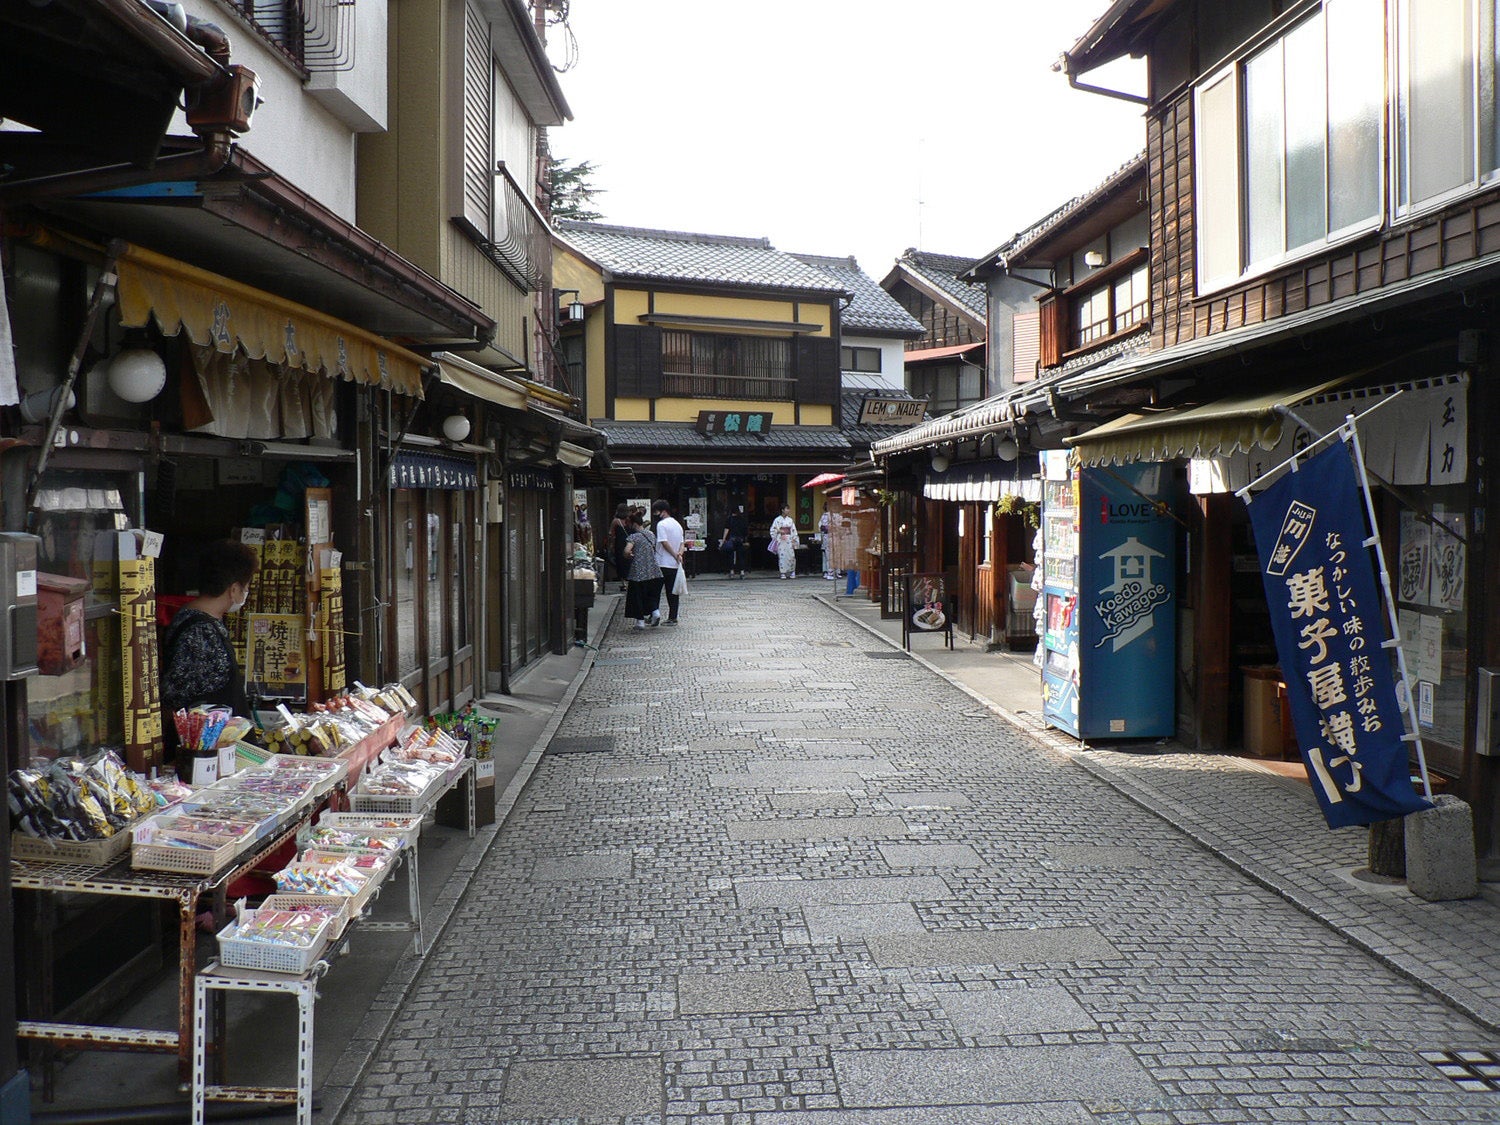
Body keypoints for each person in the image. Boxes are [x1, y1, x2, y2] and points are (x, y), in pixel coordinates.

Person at [161, 539, 259, 776]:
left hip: (218, 757)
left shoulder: (200, 620)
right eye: (245, 587)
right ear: (234, 589)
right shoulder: (200, 631)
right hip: (205, 761)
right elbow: (177, 696)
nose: (245, 593)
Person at [622, 511, 663, 630]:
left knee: (637, 596)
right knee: (651, 594)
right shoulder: (651, 534)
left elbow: (626, 550)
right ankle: (655, 613)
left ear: (634, 524)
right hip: (653, 569)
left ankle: (640, 622)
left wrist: (628, 555)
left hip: (638, 572)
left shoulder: (633, 537)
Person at [651, 499, 685, 625]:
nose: (655, 514)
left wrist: (674, 554)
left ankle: (654, 614)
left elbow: (664, 542)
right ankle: (673, 617)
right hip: (674, 564)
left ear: (663, 511)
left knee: (655, 591)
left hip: (661, 562)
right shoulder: (677, 524)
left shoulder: (661, 525)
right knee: (673, 591)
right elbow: (682, 543)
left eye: (657, 511)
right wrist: (679, 554)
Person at [769, 504, 799, 579]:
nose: (788, 510)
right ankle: (783, 572)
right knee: (782, 557)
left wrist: (794, 540)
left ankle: (792, 571)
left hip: (789, 539)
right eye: (786, 509)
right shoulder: (777, 520)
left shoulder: (790, 520)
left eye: (788, 509)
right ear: (782, 510)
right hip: (781, 540)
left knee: (791, 556)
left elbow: (793, 531)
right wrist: (778, 531)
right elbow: (773, 530)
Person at [720, 504, 749, 579]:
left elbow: (726, 530)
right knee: (741, 556)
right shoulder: (742, 520)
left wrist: (723, 540)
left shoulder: (729, 519)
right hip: (740, 540)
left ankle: (732, 571)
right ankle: (742, 572)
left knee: (731, 555)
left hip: (732, 540)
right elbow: (746, 531)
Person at [608, 503, 630, 592]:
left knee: (620, 564)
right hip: (630, 544)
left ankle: (624, 583)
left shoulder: (616, 521)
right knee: (629, 563)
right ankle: (630, 582)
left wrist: (611, 545)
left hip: (619, 545)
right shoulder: (629, 520)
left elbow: (611, 534)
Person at [818, 509, 835, 579]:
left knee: (828, 556)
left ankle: (830, 572)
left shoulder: (824, 516)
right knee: (829, 556)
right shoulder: (828, 516)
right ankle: (830, 572)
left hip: (827, 537)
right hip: (829, 537)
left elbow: (821, 527)